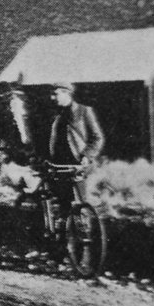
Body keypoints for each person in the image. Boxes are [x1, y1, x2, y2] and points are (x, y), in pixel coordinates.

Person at [47, 81, 104, 219]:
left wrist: (86, 156)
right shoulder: (55, 114)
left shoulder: (84, 111)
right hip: (59, 165)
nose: (52, 98)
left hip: (78, 165)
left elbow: (97, 138)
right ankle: (67, 229)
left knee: (82, 204)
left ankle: (86, 228)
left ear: (66, 93)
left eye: (56, 94)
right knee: (64, 205)